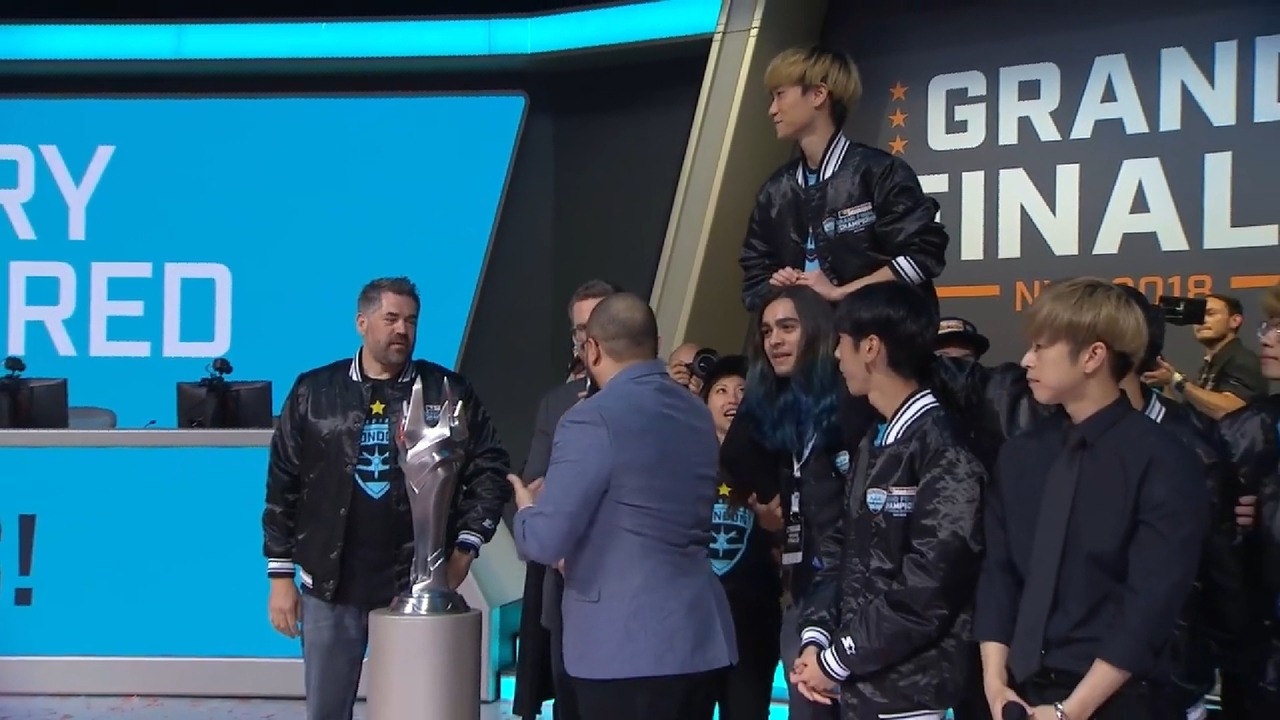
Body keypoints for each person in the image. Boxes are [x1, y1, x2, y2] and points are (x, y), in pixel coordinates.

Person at [262, 276, 511, 720]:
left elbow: (489, 469)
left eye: (411, 321)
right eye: (391, 318)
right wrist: (281, 576)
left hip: (415, 583)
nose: (402, 330)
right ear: (362, 322)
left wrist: (465, 549)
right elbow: (284, 484)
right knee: (326, 711)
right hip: (331, 583)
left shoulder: (447, 390)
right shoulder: (314, 391)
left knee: (416, 708)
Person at [975, 277, 1209, 720]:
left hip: (1120, 699)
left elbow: (1150, 603)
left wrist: (1072, 710)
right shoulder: (1021, 453)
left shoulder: (1164, 460)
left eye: (1041, 347)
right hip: (1017, 694)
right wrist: (994, 681)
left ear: (1093, 356)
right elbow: (998, 572)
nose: (1026, 360)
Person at [507, 292, 737, 720]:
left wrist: (527, 508)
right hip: (699, 639)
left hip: (622, 650)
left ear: (591, 349)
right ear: (654, 343)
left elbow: (545, 541)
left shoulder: (589, 418)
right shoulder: (695, 412)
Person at [791, 281, 986, 720]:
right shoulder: (872, 442)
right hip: (860, 686)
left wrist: (838, 659)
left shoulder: (944, 447)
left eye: (842, 342)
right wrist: (817, 637)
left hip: (913, 694)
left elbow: (930, 586)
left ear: (871, 348)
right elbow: (841, 554)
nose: (836, 356)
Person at [721, 284, 875, 720]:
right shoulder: (779, 402)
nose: (774, 340)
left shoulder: (853, 397)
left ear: (818, 331)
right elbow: (733, 455)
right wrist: (775, 505)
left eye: (787, 327)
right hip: (805, 587)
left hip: (861, 595)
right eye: (767, 331)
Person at [1113, 285, 1248, 720]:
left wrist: (1193, 670)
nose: (1030, 360)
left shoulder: (1193, 449)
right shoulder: (1046, 443)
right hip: (1076, 674)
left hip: (1169, 679)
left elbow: (1218, 574)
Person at [740, 45, 949, 315]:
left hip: (876, 334)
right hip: (812, 337)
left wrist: (840, 293)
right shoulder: (775, 192)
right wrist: (780, 286)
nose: (772, 110)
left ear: (818, 94)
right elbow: (754, 280)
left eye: (780, 95)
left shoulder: (879, 172)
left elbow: (923, 255)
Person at [513, 279, 621, 720]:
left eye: (599, 323)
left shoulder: (661, 400)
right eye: (580, 329)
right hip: (567, 587)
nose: (589, 337)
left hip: (635, 594)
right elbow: (534, 489)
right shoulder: (557, 404)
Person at [701, 355, 785, 720]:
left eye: (741, 390)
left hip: (752, 620)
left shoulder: (776, 460)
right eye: (721, 390)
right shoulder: (684, 461)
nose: (732, 398)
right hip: (695, 620)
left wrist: (774, 527)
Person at [1214, 282, 1280, 720]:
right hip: (1257, 654)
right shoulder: (1252, 425)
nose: (1267, 338)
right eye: (1268, 326)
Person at [1143, 293, 1267, 420]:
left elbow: (1232, 411)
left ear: (1234, 321)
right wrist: (1166, 385)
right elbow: (1188, 420)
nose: (1201, 321)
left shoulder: (1243, 360)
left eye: (1210, 314)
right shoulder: (1208, 367)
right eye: (1197, 315)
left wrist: (1175, 380)